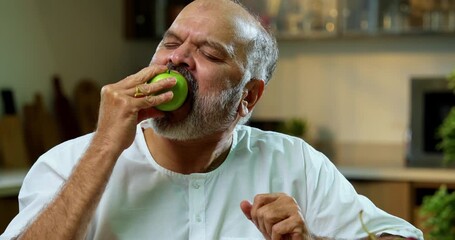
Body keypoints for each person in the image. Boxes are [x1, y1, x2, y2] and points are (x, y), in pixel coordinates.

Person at [1, 0, 423, 239]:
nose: (178, 58)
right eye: (170, 43)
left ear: (248, 97)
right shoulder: (68, 163)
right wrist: (107, 147)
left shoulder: (295, 164)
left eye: (209, 53)